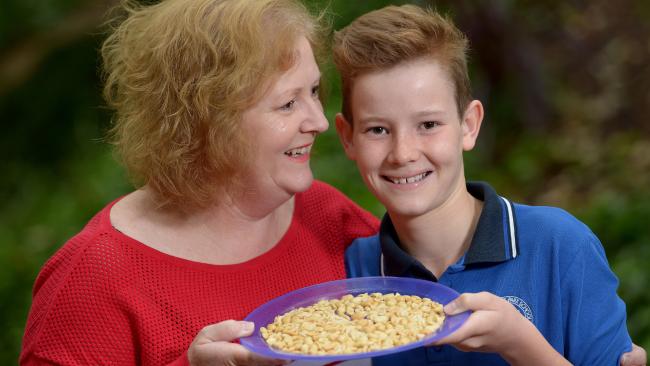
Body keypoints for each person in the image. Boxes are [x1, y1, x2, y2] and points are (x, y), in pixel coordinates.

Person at [19, 0, 379, 365]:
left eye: (314, 91)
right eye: (288, 104)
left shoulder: (327, 215)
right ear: (208, 122)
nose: (318, 121)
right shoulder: (95, 274)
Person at [333, 4, 645, 366]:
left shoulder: (562, 247)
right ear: (348, 137)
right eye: (378, 130)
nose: (402, 153)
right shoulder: (349, 274)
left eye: (429, 125)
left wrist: (520, 344)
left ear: (469, 125)